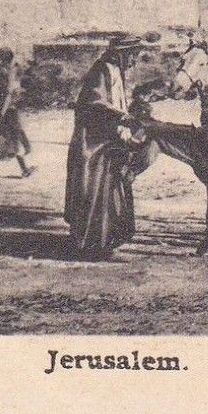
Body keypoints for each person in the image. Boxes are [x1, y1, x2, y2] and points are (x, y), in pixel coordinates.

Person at [64, 33, 154, 260]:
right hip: (94, 143)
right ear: (122, 55)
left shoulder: (114, 71)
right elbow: (95, 103)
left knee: (111, 190)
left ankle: (105, 241)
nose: (134, 61)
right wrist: (123, 117)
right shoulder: (102, 70)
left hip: (107, 139)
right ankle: (90, 245)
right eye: (132, 56)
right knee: (96, 191)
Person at [0, 48, 33, 184]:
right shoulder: (8, 74)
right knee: (10, 140)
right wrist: (2, 113)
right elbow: (8, 94)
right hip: (6, 112)